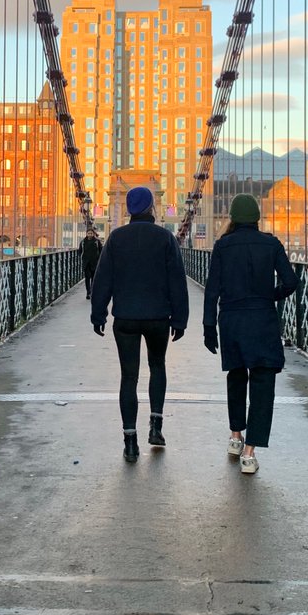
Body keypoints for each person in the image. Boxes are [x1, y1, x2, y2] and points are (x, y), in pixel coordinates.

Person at [90, 186, 189, 462]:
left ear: (129, 209)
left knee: (128, 377)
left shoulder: (116, 238)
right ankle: (156, 427)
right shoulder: (166, 239)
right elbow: (177, 282)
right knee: (157, 367)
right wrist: (180, 319)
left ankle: (130, 442)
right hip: (158, 318)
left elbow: (103, 279)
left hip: (126, 319)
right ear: (152, 208)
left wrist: (98, 314)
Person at [202, 193, 297, 475]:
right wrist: (272, 295)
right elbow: (291, 281)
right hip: (262, 321)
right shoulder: (271, 244)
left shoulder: (222, 246)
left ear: (233, 217)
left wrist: (209, 327)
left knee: (236, 376)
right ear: (257, 217)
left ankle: (235, 436)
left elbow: (212, 290)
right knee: (262, 384)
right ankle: (249, 453)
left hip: (231, 321)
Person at [80, 228, 102, 298]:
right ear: (86, 234)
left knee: (93, 278)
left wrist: (99, 260)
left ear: (93, 234)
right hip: (86, 263)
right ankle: (88, 292)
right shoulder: (83, 242)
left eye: (91, 233)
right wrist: (83, 258)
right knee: (87, 278)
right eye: (88, 233)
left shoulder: (97, 242)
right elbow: (80, 251)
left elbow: (101, 251)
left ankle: (92, 291)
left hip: (95, 262)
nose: (90, 235)